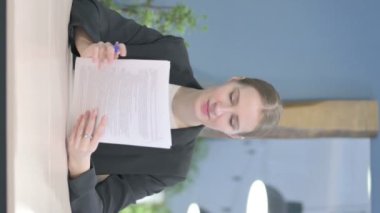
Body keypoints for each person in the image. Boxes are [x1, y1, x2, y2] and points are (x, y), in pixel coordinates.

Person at [67, 0, 282, 212]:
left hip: (45, 145)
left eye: (232, 120)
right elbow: (87, 9)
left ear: (232, 135)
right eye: (232, 97)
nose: (220, 109)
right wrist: (88, 47)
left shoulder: (172, 166)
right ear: (234, 80)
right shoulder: (170, 53)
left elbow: (95, 208)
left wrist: (80, 162)